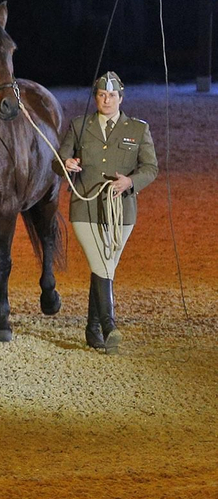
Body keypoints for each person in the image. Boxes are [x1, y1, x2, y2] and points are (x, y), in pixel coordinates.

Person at [57, 72, 159, 353]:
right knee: (102, 262)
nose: (107, 100)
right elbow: (58, 160)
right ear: (96, 97)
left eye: (112, 95)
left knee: (103, 267)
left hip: (122, 211)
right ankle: (109, 325)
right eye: (102, 95)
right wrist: (67, 163)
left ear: (121, 98)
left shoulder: (138, 129)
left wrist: (130, 182)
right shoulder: (79, 126)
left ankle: (92, 329)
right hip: (85, 206)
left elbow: (150, 168)